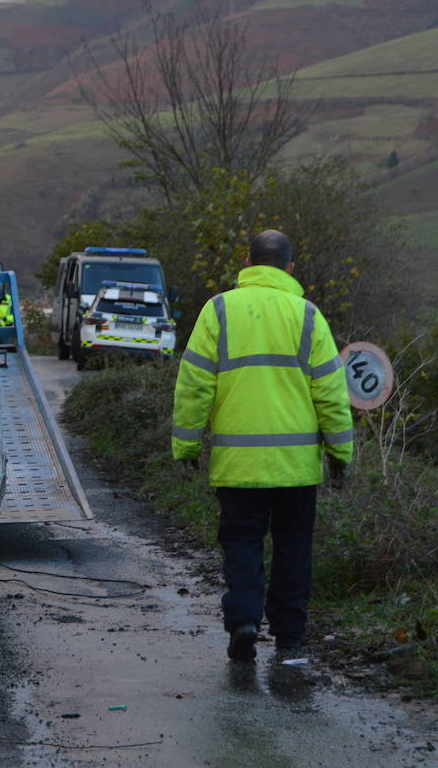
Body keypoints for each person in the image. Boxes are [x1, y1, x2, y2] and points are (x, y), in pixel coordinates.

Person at [171, 230, 353, 661]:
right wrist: (341, 454)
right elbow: (331, 392)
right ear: (291, 268)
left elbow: (193, 384)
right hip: (296, 468)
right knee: (293, 549)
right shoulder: (308, 316)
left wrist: (187, 448)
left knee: (242, 543)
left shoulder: (218, 311)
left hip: (239, 464)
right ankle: (290, 636)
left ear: (248, 262)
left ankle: (245, 622)